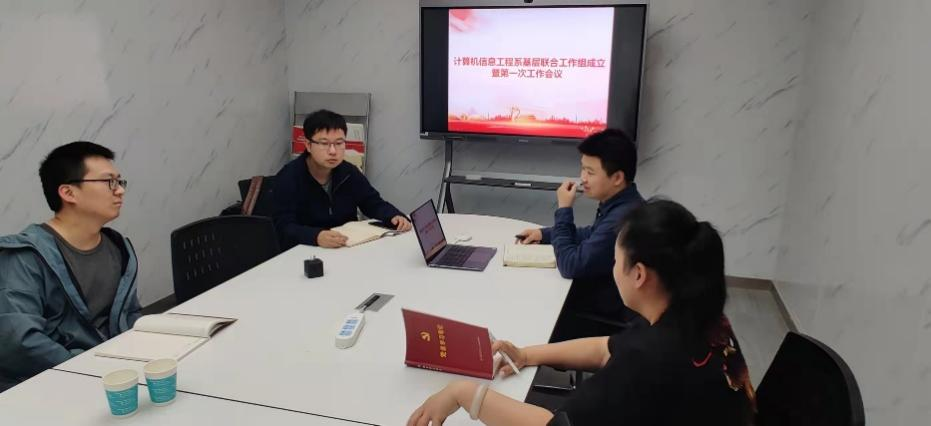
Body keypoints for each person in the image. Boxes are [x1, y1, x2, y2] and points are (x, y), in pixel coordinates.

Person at [408, 199, 755, 426]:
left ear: (639, 275)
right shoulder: (701, 319)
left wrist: (464, 394)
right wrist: (527, 354)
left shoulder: (646, 361)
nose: (613, 269)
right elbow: (605, 349)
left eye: (616, 261)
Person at [0, 142, 141, 391]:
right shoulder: (24, 257)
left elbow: (128, 314)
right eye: (109, 182)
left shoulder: (117, 246)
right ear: (68, 193)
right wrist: (91, 371)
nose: (120, 190)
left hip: (116, 372)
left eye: (120, 182)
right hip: (51, 385)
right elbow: (19, 342)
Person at [273, 109, 411, 249]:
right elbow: (283, 227)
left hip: (347, 246)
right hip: (306, 251)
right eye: (324, 144)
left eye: (339, 143)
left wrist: (393, 216)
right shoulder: (289, 177)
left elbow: (373, 203)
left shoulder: (349, 172)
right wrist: (315, 236)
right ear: (308, 145)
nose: (333, 151)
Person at [515, 129, 643, 280]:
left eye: (590, 172)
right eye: (583, 169)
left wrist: (564, 209)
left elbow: (570, 266)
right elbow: (592, 234)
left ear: (617, 178)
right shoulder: (624, 203)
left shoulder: (622, 218)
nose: (583, 178)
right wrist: (545, 234)